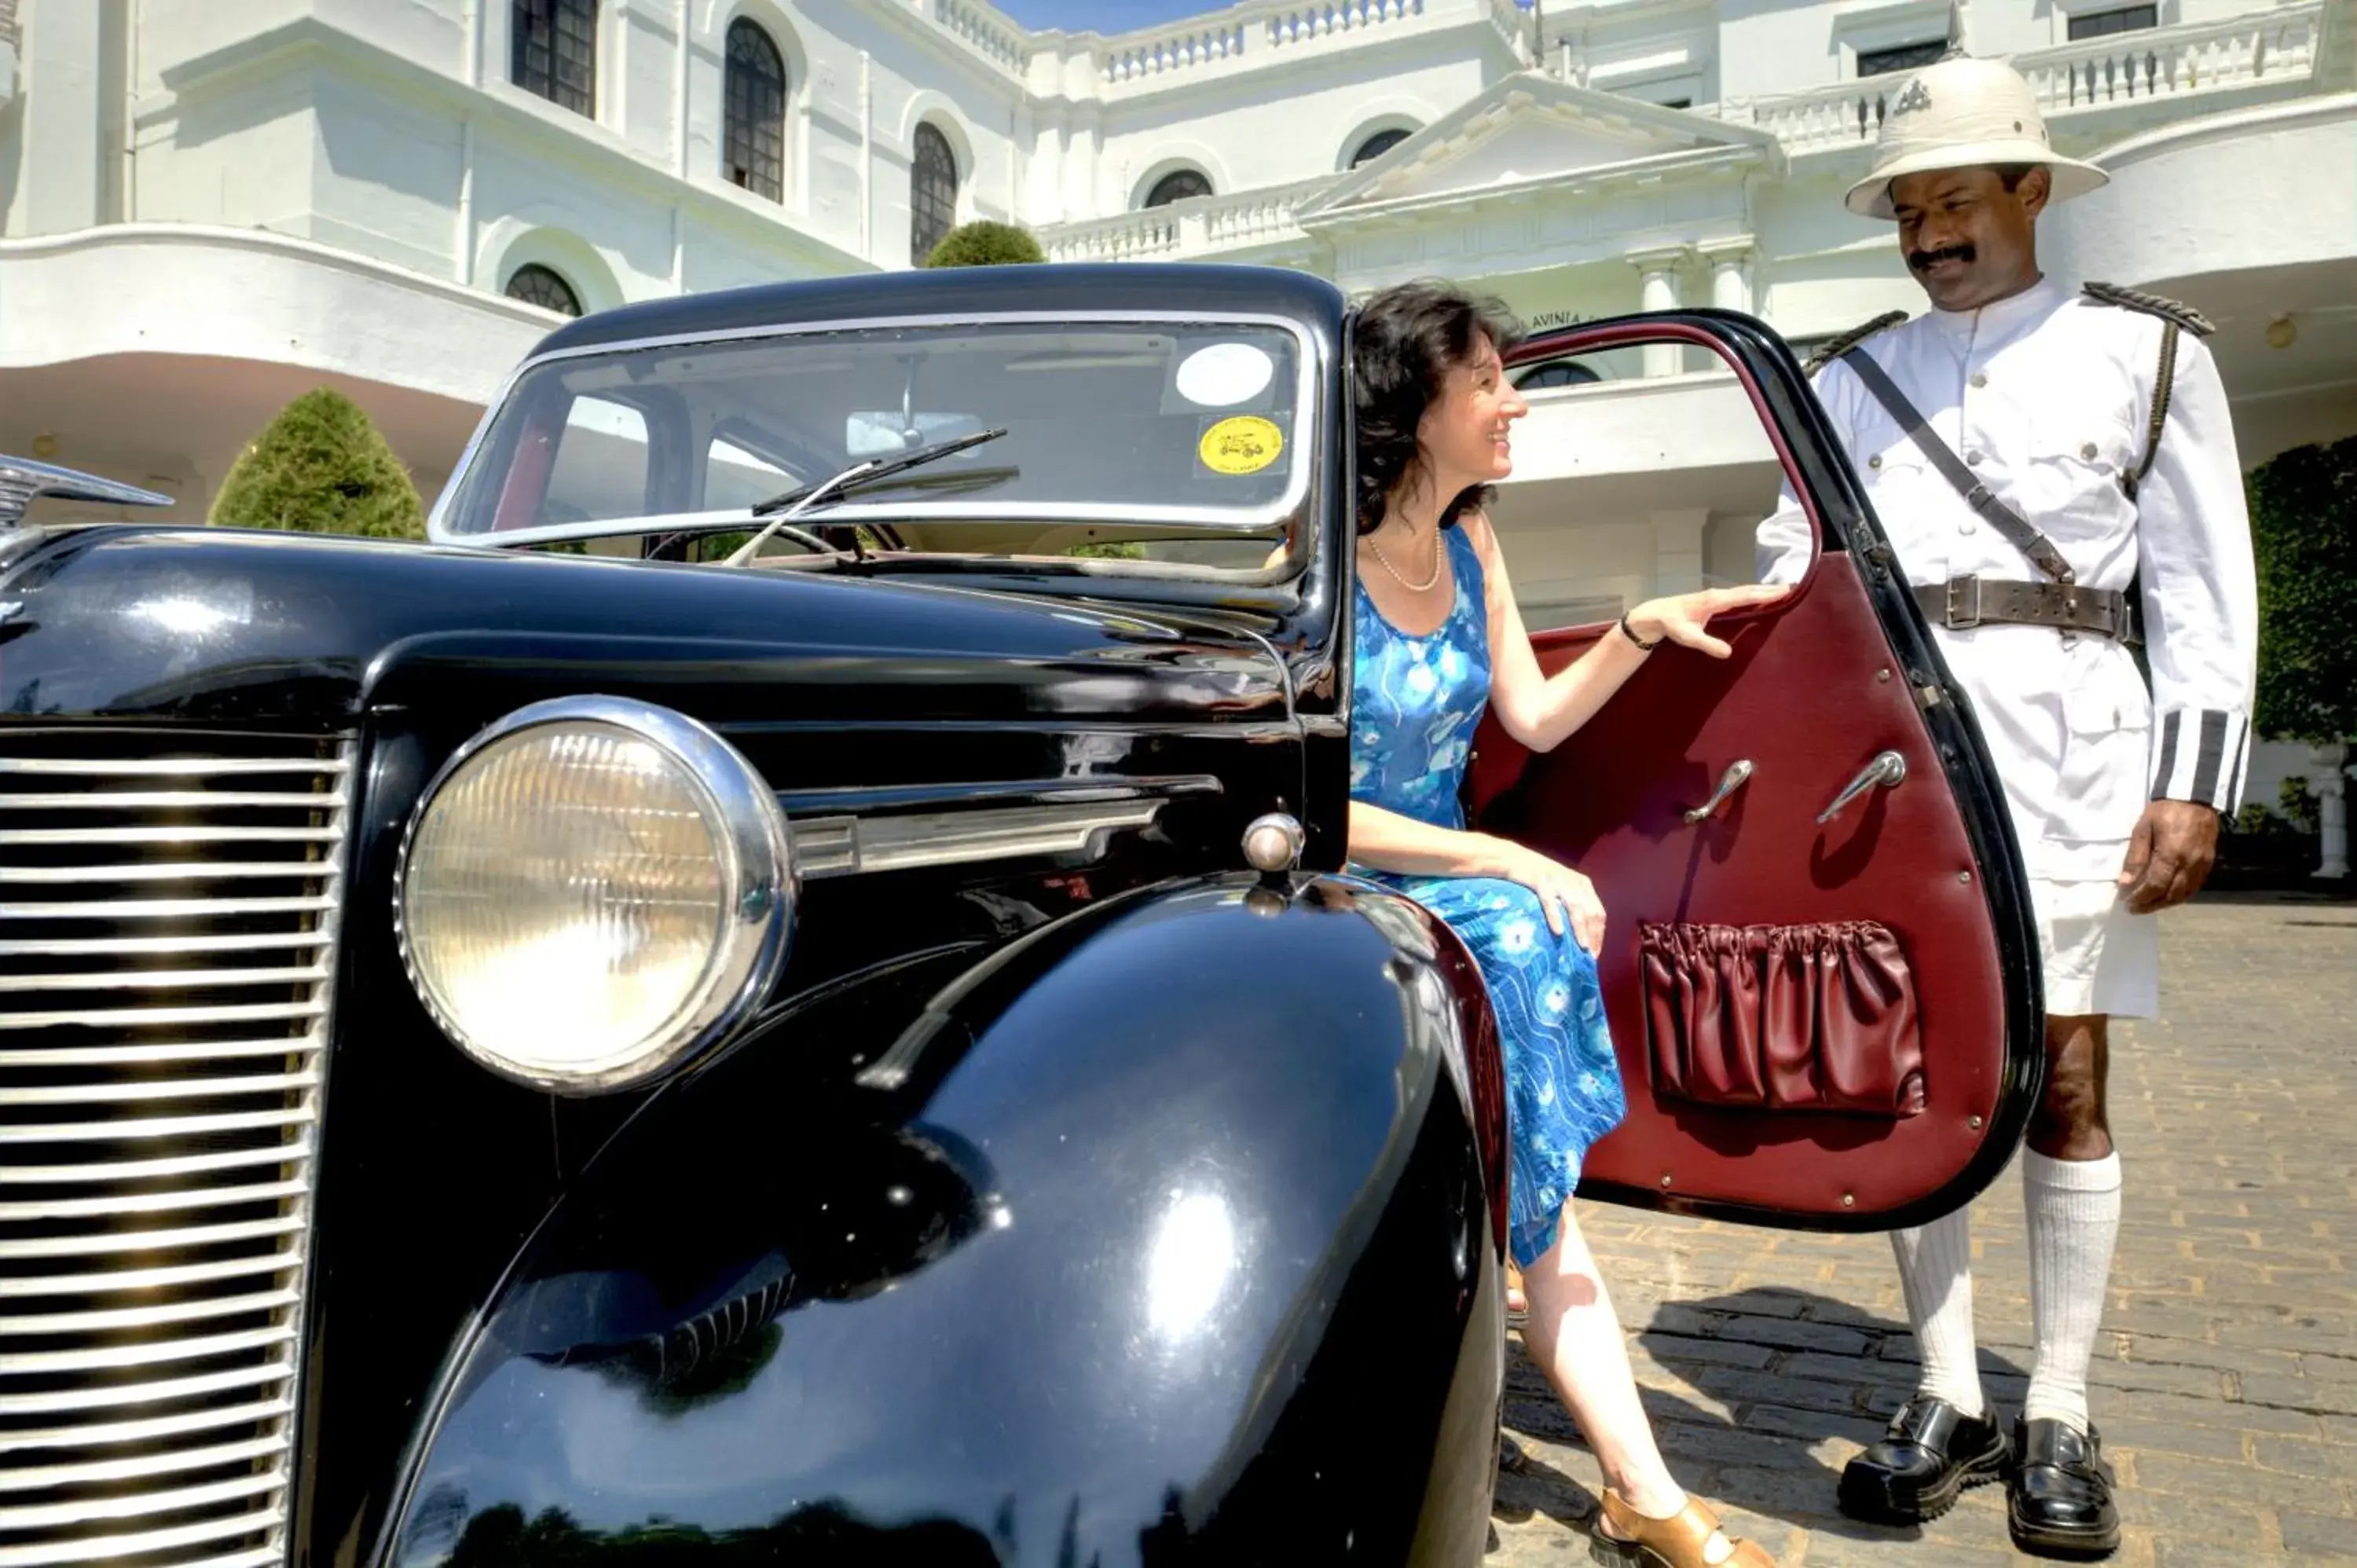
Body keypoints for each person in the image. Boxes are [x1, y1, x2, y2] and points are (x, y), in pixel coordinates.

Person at [1755, 53, 2258, 1561]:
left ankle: (2061, 1406)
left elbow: (2205, 587)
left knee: (2069, 1077)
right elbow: (1796, 560)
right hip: (1898, 764)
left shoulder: (2147, 354)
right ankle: (1947, 1391)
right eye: (1909, 210)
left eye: (1956, 201)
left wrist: (2194, 781)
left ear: (2034, 193)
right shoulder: (1846, 378)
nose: (1928, 234)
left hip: (2077, 755)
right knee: (1914, 1074)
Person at [1347, 280, 1787, 1568]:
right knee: (1530, 916)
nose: (1513, 399)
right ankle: (1632, 1475)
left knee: (1528, 932)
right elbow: (1304, 804)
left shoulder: (1475, 541)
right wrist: (1503, 851)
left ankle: (1543, 1269)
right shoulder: (1313, 554)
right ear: (1413, 403)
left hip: (1451, 876)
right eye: (1486, 378)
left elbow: (1531, 720)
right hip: (1336, 876)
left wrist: (1643, 632)